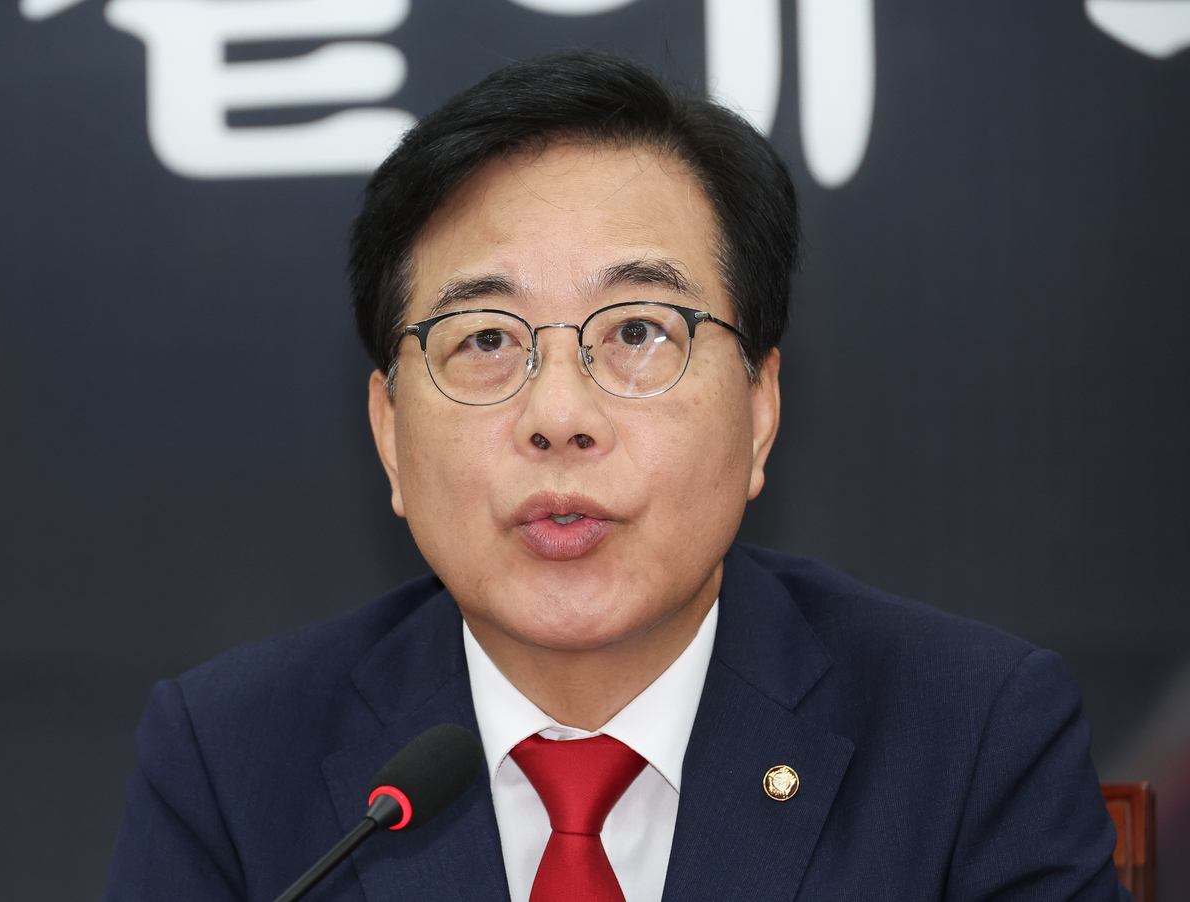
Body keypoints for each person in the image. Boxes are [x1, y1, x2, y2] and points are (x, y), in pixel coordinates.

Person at [102, 50, 1127, 902]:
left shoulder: (968, 738)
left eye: (638, 330)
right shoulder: (229, 761)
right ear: (387, 432)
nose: (558, 417)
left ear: (760, 409)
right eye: (486, 340)